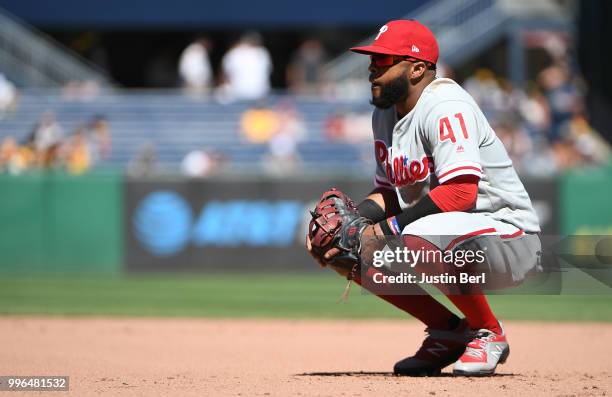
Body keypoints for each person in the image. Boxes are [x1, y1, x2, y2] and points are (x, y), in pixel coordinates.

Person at [306, 20, 541, 376]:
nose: (372, 69)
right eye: (372, 60)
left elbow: (460, 192)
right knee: (346, 246)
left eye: (383, 61)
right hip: (449, 234)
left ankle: (489, 332)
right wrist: (355, 225)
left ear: (417, 69)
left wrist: (384, 230)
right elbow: (390, 191)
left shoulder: (445, 105)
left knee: (416, 233)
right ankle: (451, 331)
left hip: (509, 236)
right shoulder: (384, 115)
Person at [218, 32, 272, 101]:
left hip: (243, 96)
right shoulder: (263, 52)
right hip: (257, 96)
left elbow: (224, 77)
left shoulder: (233, 53)